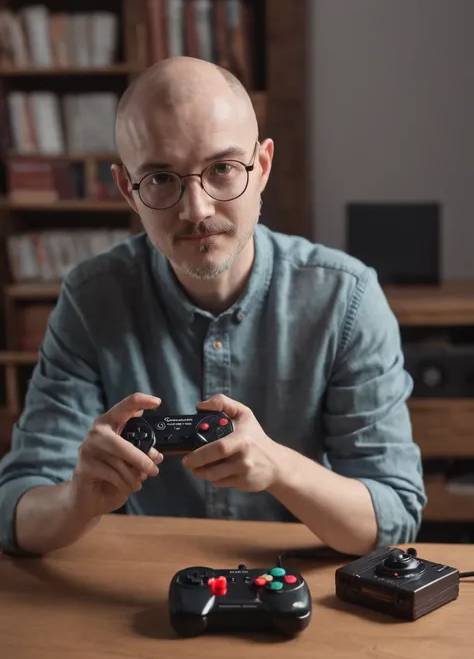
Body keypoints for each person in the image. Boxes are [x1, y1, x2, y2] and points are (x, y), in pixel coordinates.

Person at [0, 57, 426, 558]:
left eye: (222, 169)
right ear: (127, 191)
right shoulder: (92, 298)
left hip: (301, 596)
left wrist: (279, 467)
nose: (196, 209)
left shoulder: (347, 299)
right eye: (160, 178)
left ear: (262, 166)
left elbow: (394, 518)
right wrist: (77, 501)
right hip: (143, 591)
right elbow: (14, 510)